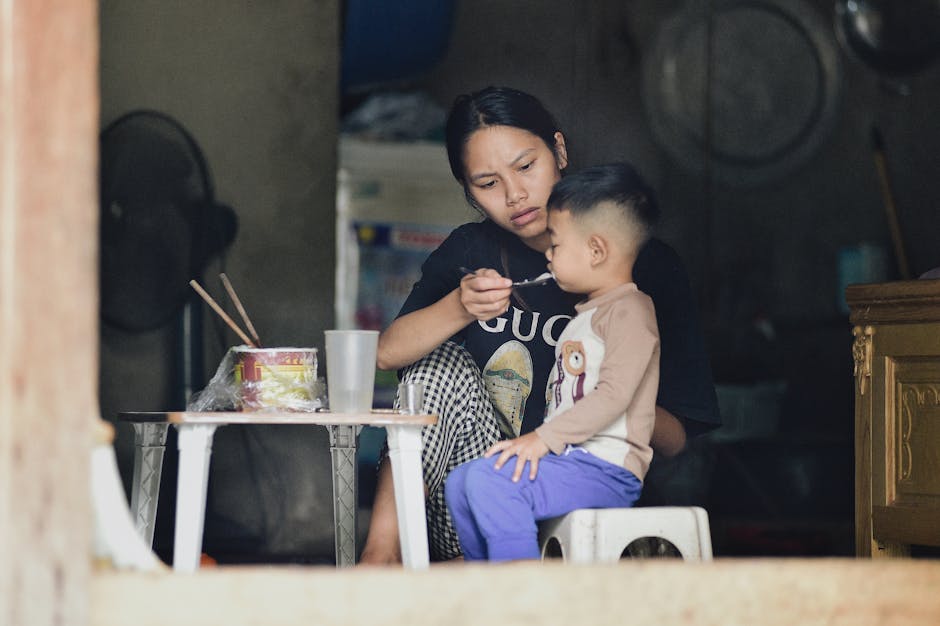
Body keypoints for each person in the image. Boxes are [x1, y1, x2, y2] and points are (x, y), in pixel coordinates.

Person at [361, 86, 719, 564]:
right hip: (481, 491)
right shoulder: (471, 253)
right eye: (487, 183)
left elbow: (675, 443)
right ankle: (382, 554)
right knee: (438, 364)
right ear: (468, 191)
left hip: (586, 492)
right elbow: (386, 356)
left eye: (526, 166)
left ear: (560, 150)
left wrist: (614, 387)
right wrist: (459, 307)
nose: (514, 195)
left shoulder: (640, 266)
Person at [444, 162, 659, 561]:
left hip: (607, 471)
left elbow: (614, 394)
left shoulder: (631, 310)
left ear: (596, 250)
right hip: (571, 462)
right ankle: (489, 591)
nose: (548, 257)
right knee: (461, 483)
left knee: (494, 484)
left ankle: (527, 600)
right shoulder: (587, 314)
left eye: (555, 245)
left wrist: (542, 439)